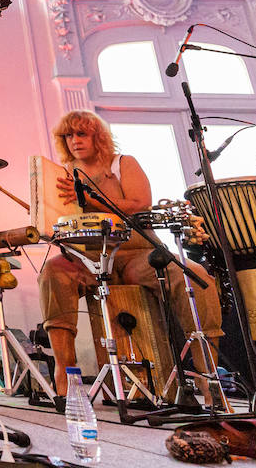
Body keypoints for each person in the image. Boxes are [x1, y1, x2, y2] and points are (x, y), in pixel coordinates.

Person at [37, 109, 222, 399]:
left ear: (97, 137)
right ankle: (65, 372)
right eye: (68, 135)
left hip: (138, 254)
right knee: (52, 273)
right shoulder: (62, 174)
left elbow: (140, 204)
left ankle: (207, 375)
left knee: (197, 278)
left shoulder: (123, 163)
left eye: (81, 133)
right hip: (90, 259)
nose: (74, 140)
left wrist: (89, 200)